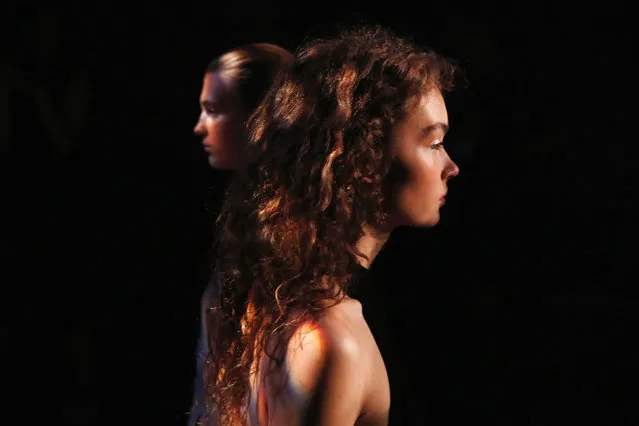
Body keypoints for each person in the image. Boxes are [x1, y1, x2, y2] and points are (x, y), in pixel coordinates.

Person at [204, 25, 461, 426]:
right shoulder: (336, 341)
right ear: (365, 161)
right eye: (434, 143)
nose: (451, 167)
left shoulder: (273, 307)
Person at [189, 43, 294, 426]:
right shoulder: (238, 220)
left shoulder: (288, 240)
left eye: (214, 111)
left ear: (258, 117)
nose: (199, 126)